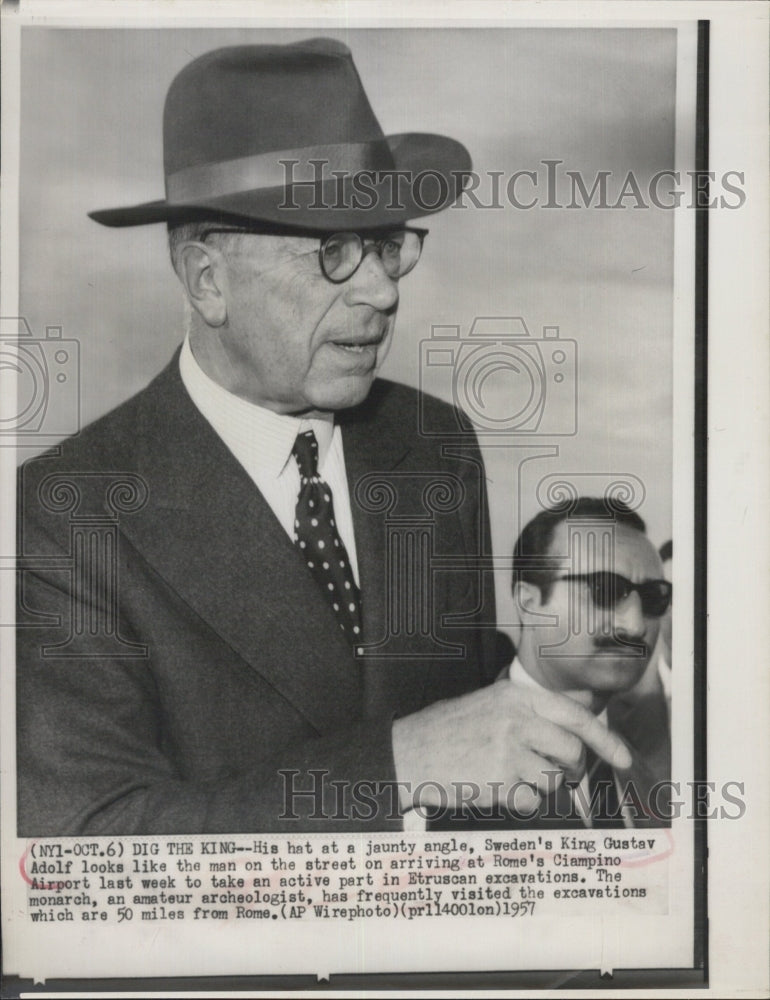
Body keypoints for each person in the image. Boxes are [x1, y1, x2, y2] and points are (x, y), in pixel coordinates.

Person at [16, 39, 630, 835]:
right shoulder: (63, 517)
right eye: (335, 250)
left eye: (387, 244)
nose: (381, 290)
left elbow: (472, 716)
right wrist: (397, 768)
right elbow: (86, 840)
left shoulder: (434, 444)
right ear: (208, 282)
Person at [504, 497, 672, 827]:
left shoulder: (650, 776)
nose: (636, 626)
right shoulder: (449, 761)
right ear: (530, 603)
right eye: (605, 590)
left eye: (654, 597)